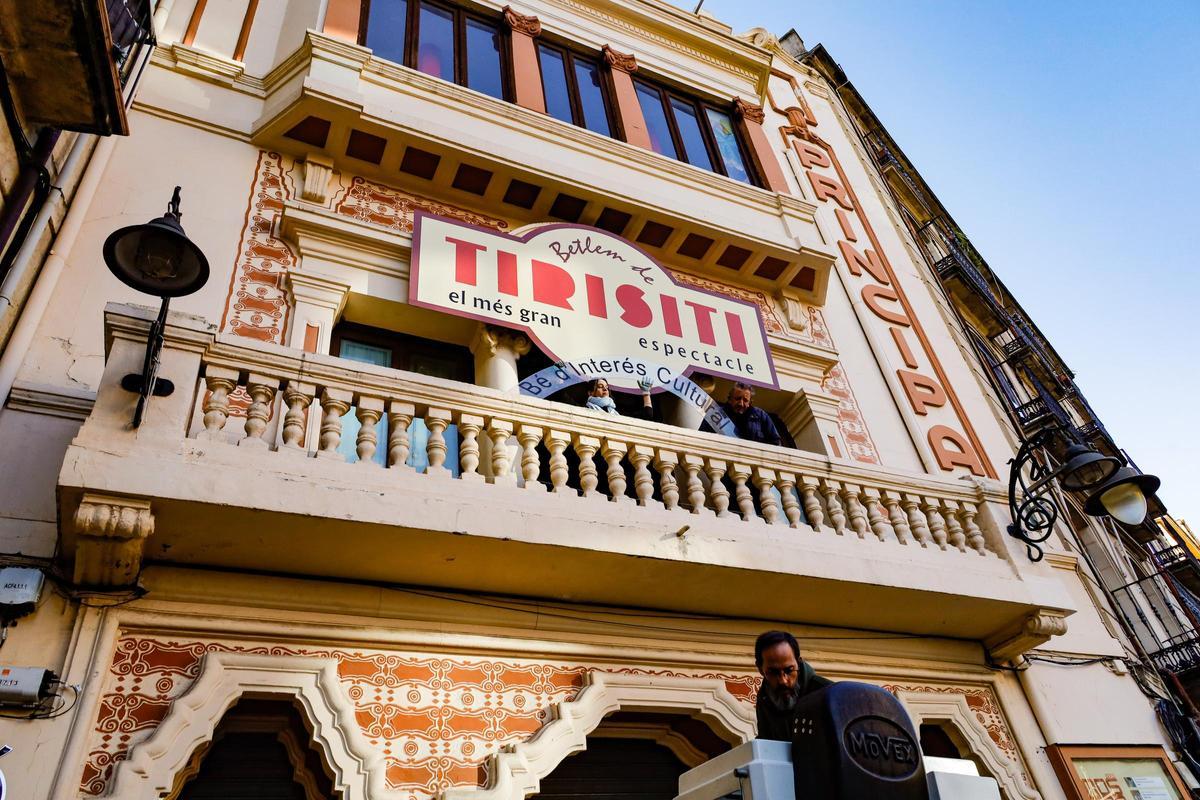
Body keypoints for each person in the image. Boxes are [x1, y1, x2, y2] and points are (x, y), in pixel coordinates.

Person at [754, 630, 832, 740]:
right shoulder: (764, 700)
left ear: (798, 663)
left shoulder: (827, 693)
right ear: (760, 669)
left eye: (789, 670)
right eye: (773, 672)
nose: (783, 681)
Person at [584, 378, 655, 421]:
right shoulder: (585, 408)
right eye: (600, 386)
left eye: (607, 387)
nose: (605, 389)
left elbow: (647, 415)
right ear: (590, 393)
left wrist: (646, 393)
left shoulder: (617, 413)